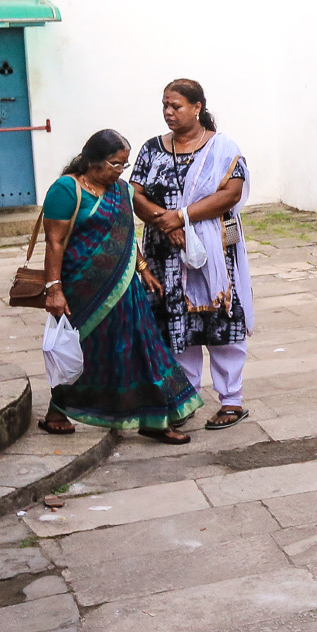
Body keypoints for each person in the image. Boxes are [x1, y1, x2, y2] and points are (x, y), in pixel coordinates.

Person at [39, 131, 198, 442]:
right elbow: (54, 242)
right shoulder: (66, 189)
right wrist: (53, 289)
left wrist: (142, 268)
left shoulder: (122, 190)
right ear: (91, 161)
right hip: (81, 288)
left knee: (141, 346)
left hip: (124, 286)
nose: (120, 171)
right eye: (115, 164)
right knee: (85, 351)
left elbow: (126, 234)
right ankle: (58, 409)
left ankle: (153, 417)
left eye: (124, 165)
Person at [129, 79, 253, 430]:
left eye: (177, 106)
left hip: (211, 253)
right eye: (165, 106)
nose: (169, 112)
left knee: (222, 323)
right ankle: (183, 400)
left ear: (198, 107)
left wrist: (182, 216)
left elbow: (231, 193)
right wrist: (166, 223)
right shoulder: (152, 149)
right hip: (164, 253)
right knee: (174, 325)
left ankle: (231, 401)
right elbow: (134, 193)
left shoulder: (222, 147)